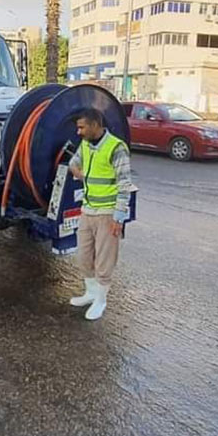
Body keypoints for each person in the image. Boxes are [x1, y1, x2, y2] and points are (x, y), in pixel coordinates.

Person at [67, 108, 134, 321]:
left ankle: (101, 300)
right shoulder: (86, 145)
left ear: (95, 125)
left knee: (105, 260)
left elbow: (124, 185)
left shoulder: (116, 148)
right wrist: (81, 174)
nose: (78, 132)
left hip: (107, 213)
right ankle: (90, 293)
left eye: (81, 127)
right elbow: (73, 164)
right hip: (88, 209)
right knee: (84, 255)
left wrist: (118, 218)